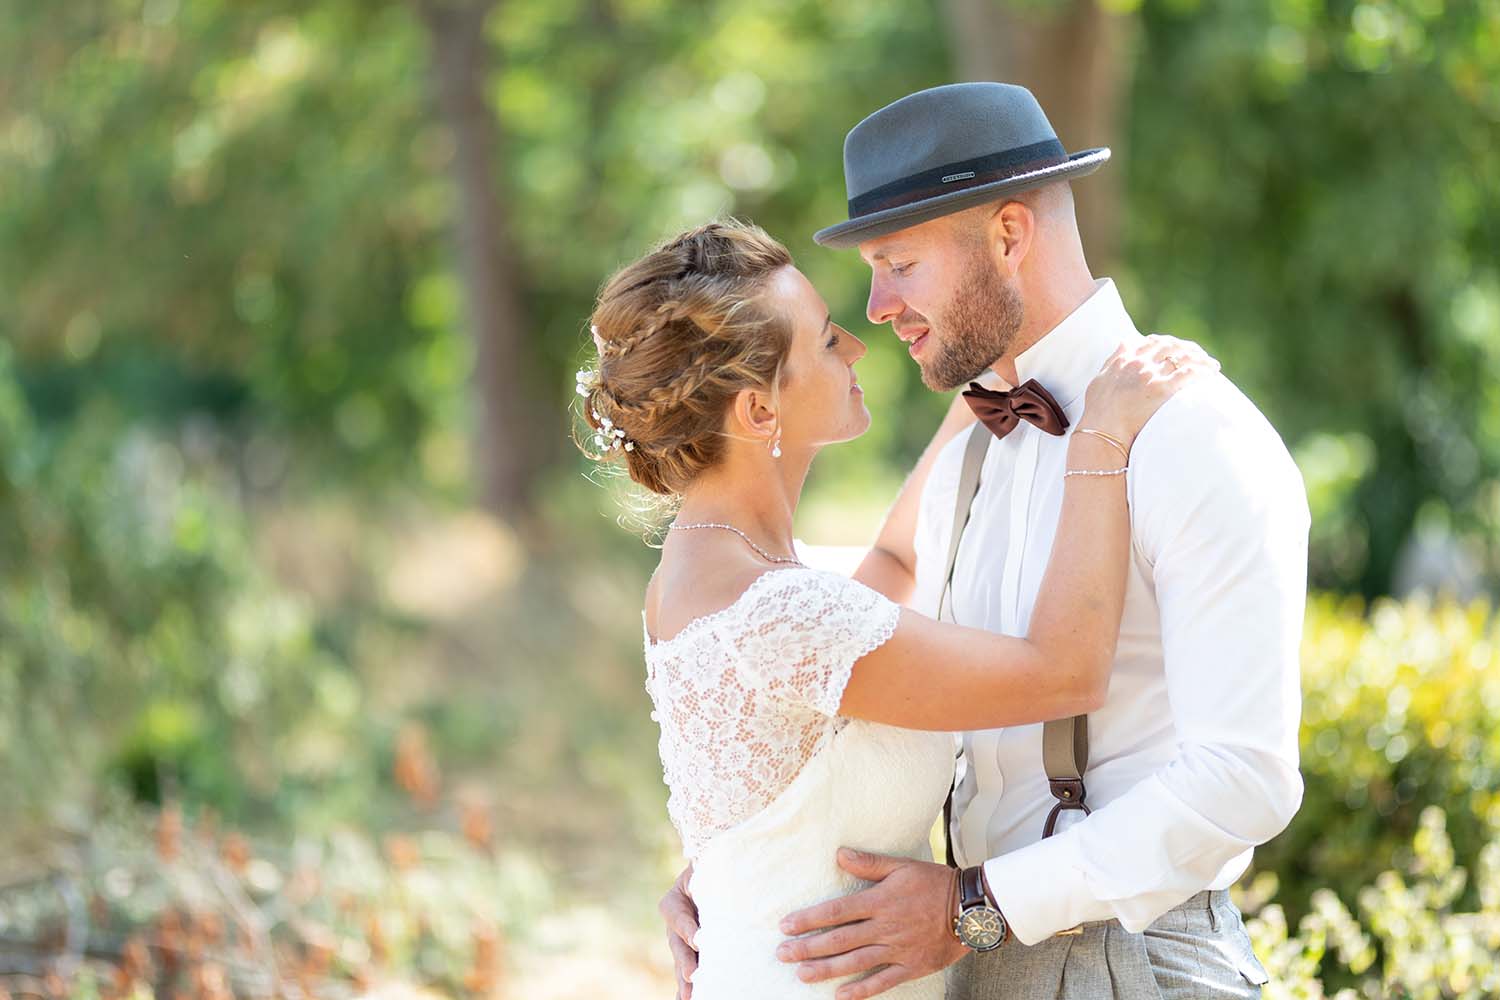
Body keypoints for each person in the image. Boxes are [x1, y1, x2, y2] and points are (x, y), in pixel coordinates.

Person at [658, 84, 1311, 1000]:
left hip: (1129, 964)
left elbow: (1245, 780)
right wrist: (742, 876)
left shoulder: (1194, 436)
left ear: (1008, 235)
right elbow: (851, 675)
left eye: (900, 264)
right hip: (961, 964)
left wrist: (979, 905)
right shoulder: (974, 444)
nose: (877, 309)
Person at [579, 217, 1214, 1000]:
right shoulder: (776, 609)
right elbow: (1067, 673)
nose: (857, 346)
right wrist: (1102, 441)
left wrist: (989, 373)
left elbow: (895, 566)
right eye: (824, 341)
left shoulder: (726, 568)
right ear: (757, 413)